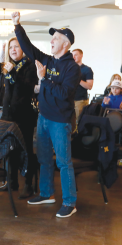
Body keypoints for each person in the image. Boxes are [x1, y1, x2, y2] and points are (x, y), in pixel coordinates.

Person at [12, 11, 80, 218]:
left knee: (63, 162)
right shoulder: (48, 60)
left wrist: (44, 80)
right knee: (43, 159)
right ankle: (46, 193)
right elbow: (28, 47)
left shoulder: (72, 68)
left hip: (60, 121)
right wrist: (17, 26)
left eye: (56, 38)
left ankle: (70, 202)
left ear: (66, 44)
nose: (52, 40)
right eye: (52, 37)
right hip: (43, 117)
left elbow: (64, 94)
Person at [0, 33, 38, 199]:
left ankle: (28, 184)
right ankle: (12, 181)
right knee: (9, 148)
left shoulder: (30, 66)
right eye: (11, 47)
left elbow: (28, 87)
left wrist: (13, 73)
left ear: (23, 49)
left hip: (24, 116)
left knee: (26, 150)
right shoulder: (6, 66)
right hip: (8, 115)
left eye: (17, 46)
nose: (13, 49)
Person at [72, 49, 94, 118]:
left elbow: (89, 86)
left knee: (78, 122)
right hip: (68, 100)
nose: (73, 57)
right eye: (72, 55)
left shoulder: (87, 69)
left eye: (76, 55)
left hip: (80, 101)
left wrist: (78, 79)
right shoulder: (69, 69)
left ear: (81, 55)